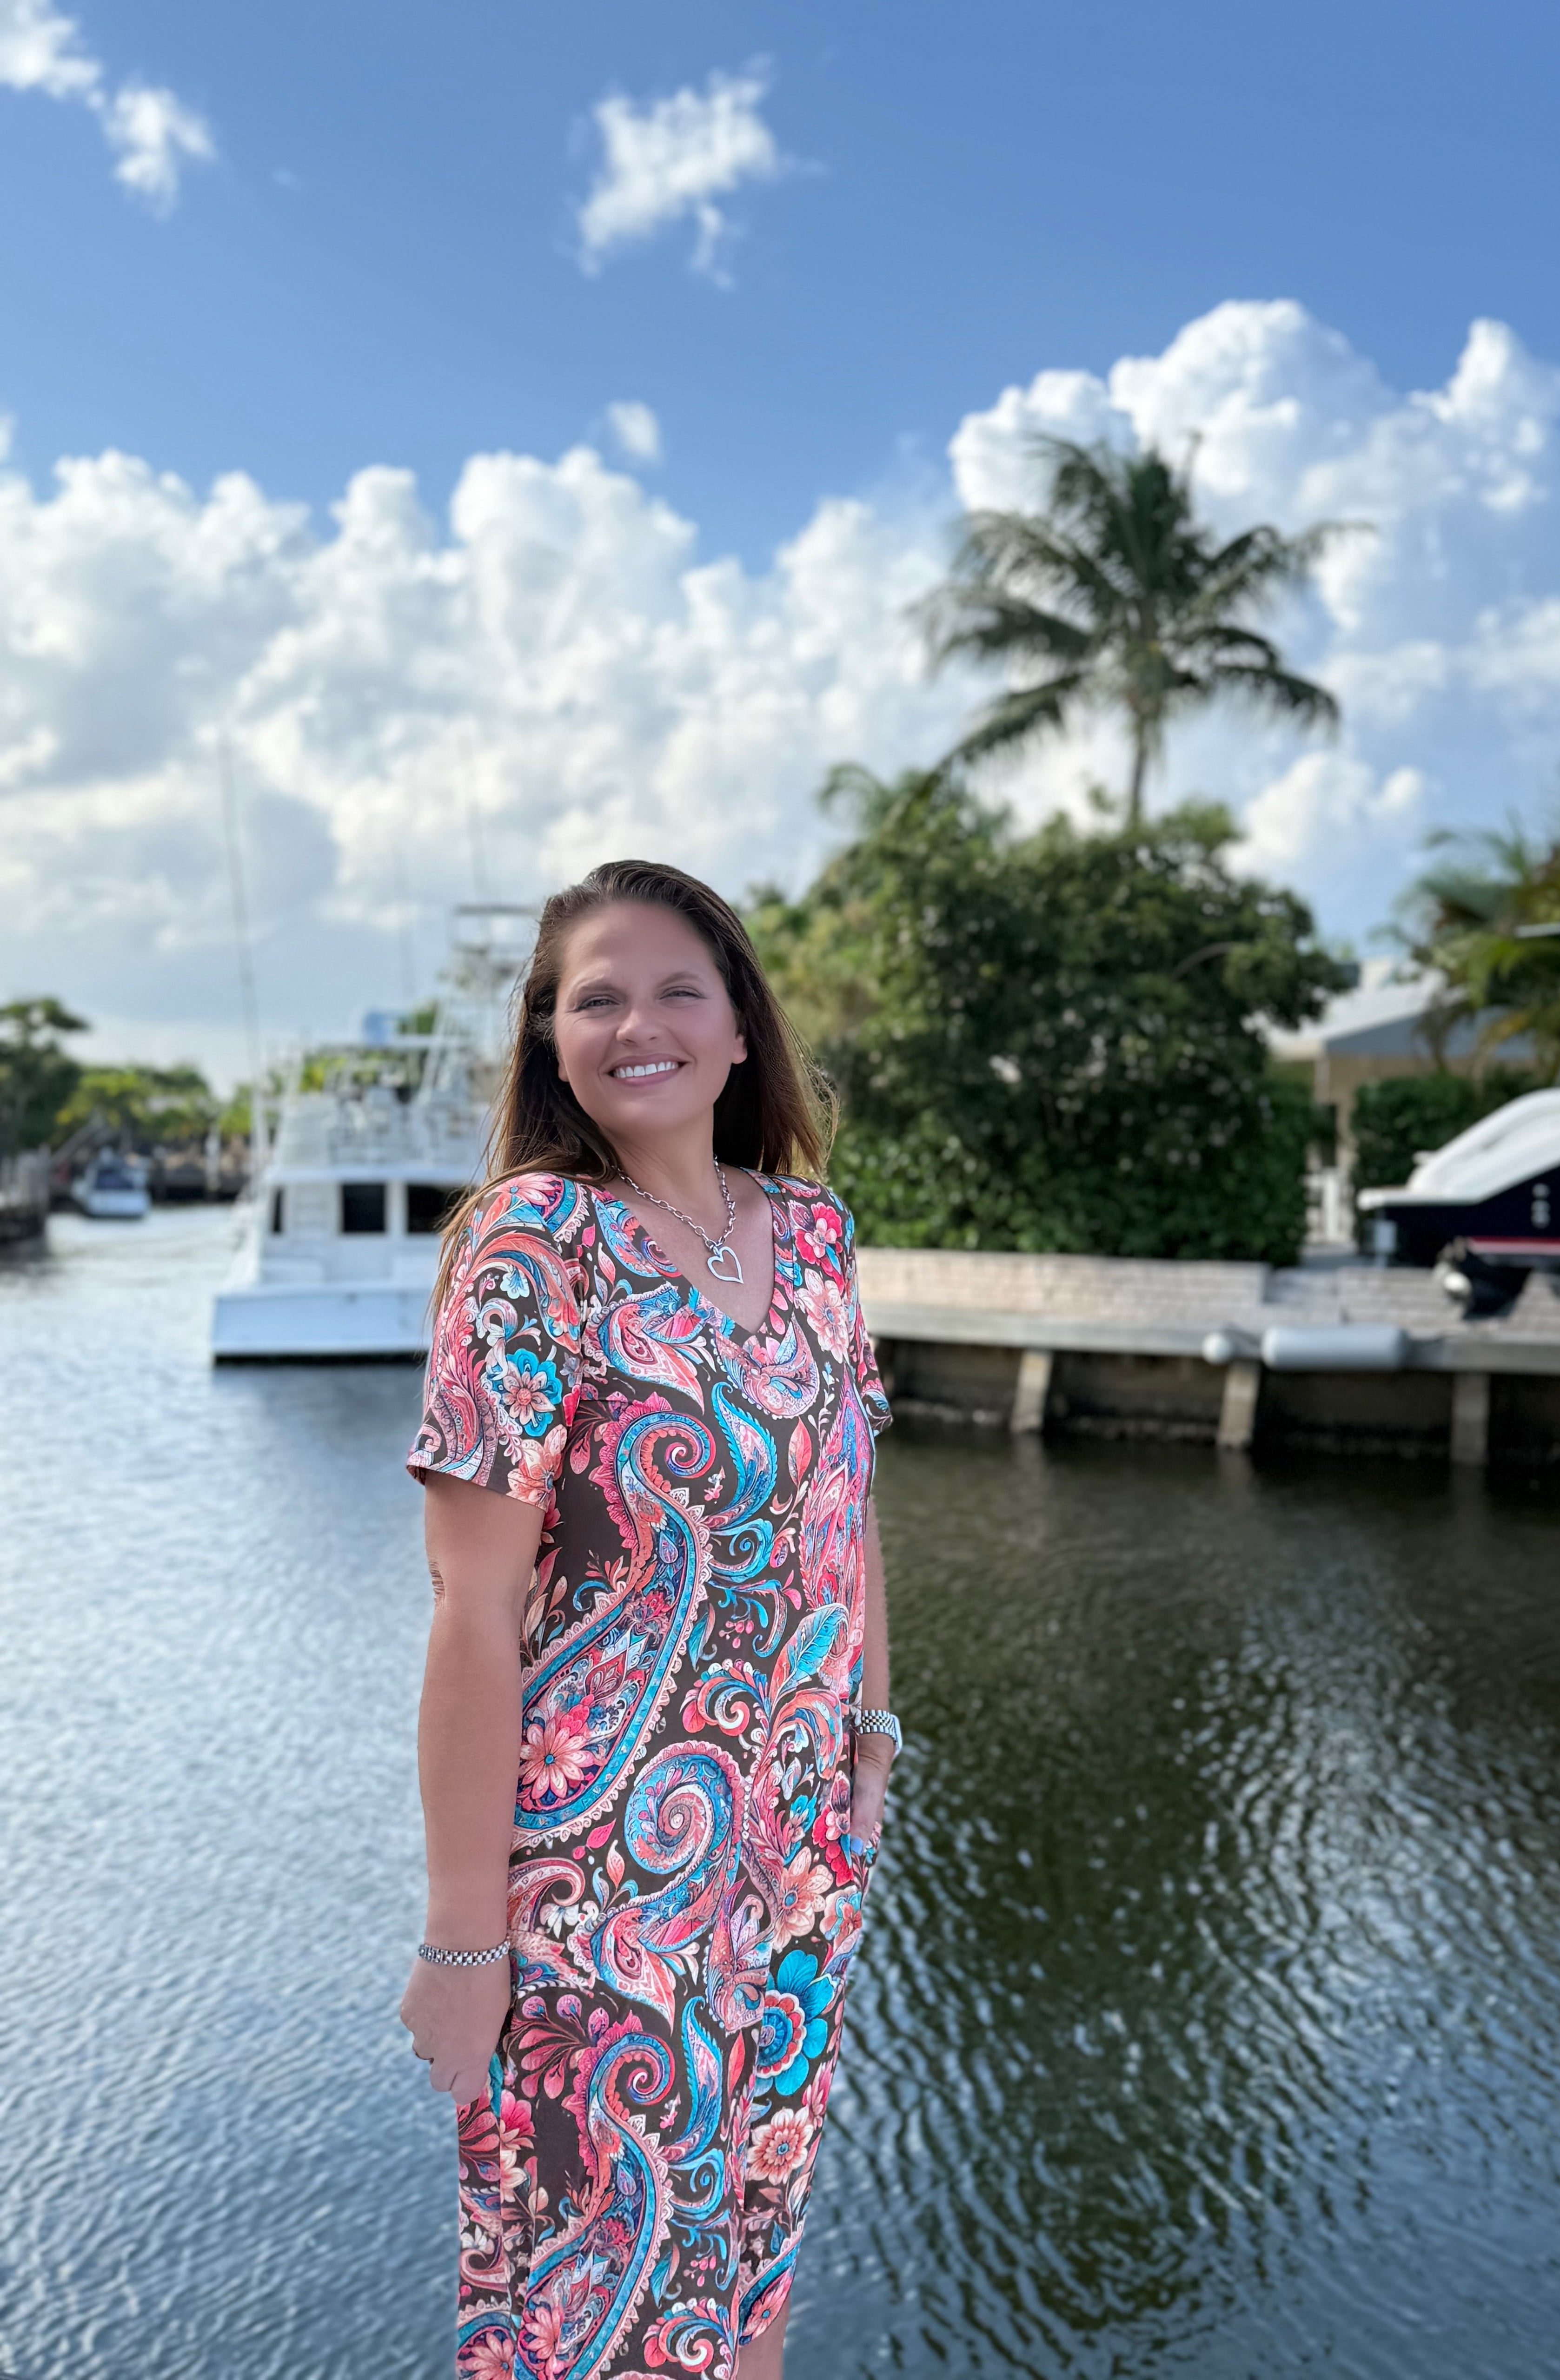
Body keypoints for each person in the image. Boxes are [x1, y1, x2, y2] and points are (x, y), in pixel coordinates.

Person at [398, 859, 900, 2379]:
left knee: (753, 2274)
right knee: (593, 2316)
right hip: (600, 1894)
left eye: (680, 988)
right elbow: (475, 1611)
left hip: (798, 1863)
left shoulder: (811, 1233)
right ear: (551, 1041)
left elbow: (852, 1497)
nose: (639, 1024)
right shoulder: (530, 1249)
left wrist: (873, 1726)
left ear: (741, 1027)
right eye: (594, 998)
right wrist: (464, 1942)